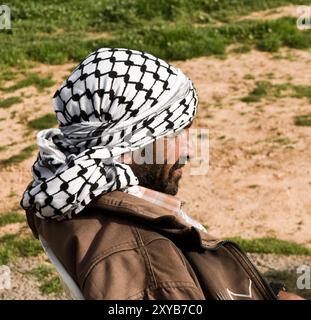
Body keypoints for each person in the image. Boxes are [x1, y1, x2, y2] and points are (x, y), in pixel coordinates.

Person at [21, 48, 302, 300]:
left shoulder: (59, 186)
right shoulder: (149, 265)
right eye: (177, 133)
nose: (190, 150)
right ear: (128, 142)